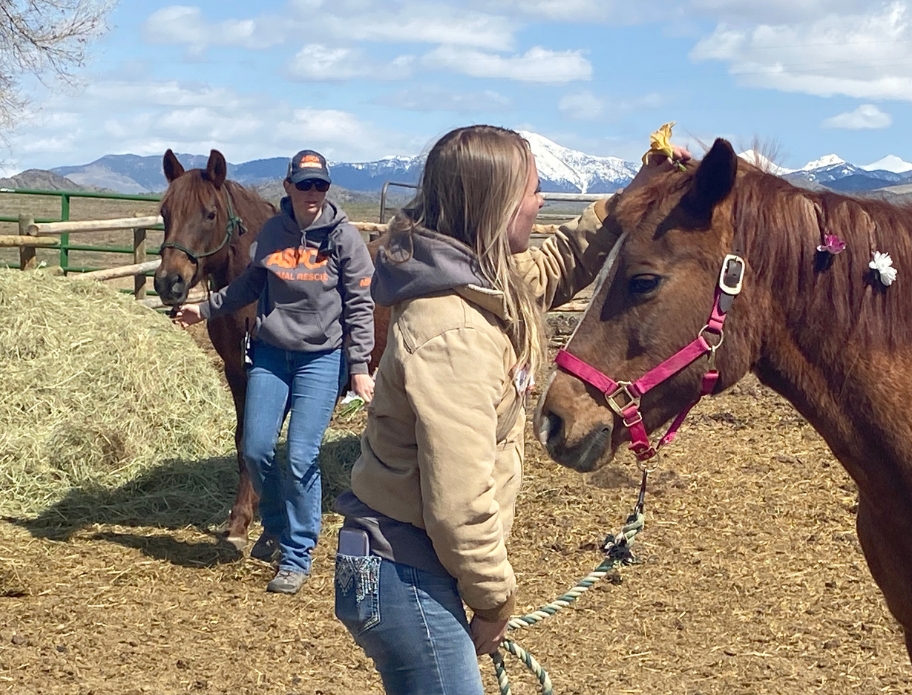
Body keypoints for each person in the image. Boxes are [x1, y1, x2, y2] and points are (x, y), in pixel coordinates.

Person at [332, 124, 689, 694]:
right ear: (496, 204)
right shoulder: (454, 331)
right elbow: (458, 503)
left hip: (405, 564)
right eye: (532, 190)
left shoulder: (474, 284)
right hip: (408, 570)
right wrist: (495, 599)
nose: (541, 201)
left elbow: (553, 269)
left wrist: (627, 202)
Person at [176, 149, 376, 595]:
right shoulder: (271, 233)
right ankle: (277, 523)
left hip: (320, 359)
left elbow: (361, 306)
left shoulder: (343, 238)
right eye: (303, 184)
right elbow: (250, 284)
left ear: (327, 189)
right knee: (255, 447)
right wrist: (204, 308)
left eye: (319, 185)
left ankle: (297, 553)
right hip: (270, 354)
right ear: (288, 187)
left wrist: (358, 366)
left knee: (302, 454)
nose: (311, 193)